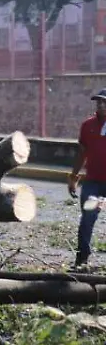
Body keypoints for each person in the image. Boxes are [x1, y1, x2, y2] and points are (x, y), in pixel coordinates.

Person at [68, 88, 106, 267]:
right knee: (87, 218)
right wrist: (73, 176)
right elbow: (82, 153)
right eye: (98, 101)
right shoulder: (88, 125)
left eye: (104, 101)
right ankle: (82, 259)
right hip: (94, 185)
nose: (101, 104)